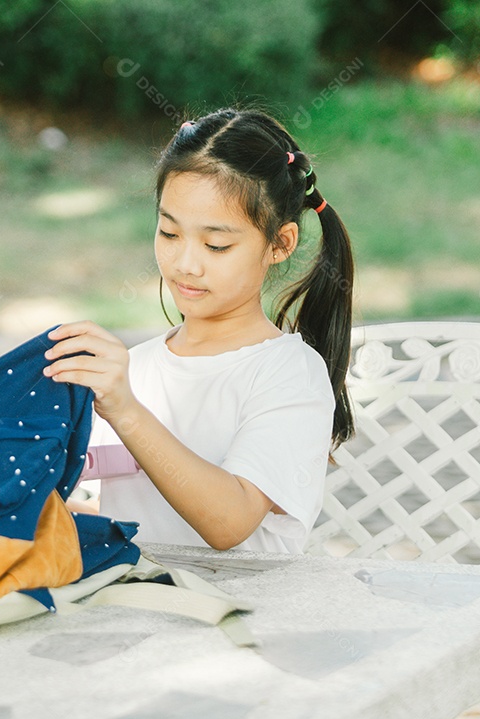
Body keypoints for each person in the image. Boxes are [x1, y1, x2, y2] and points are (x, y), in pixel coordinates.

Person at [42, 107, 356, 553]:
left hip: (251, 616)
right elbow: (139, 519)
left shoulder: (289, 373)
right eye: (170, 233)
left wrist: (127, 411)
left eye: (216, 245)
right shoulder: (139, 368)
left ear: (280, 244)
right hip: (145, 608)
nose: (186, 263)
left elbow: (229, 523)